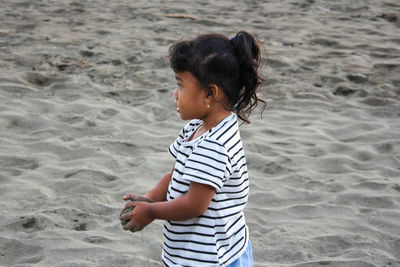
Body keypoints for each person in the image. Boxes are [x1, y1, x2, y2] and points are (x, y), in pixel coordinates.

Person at [121, 31, 266, 267]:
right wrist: (150, 197)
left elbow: (195, 204)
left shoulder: (215, 145)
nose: (175, 94)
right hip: (191, 251)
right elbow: (175, 175)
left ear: (210, 93)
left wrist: (151, 212)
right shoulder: (195, 128)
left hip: (213, 258)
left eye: (181, 85)